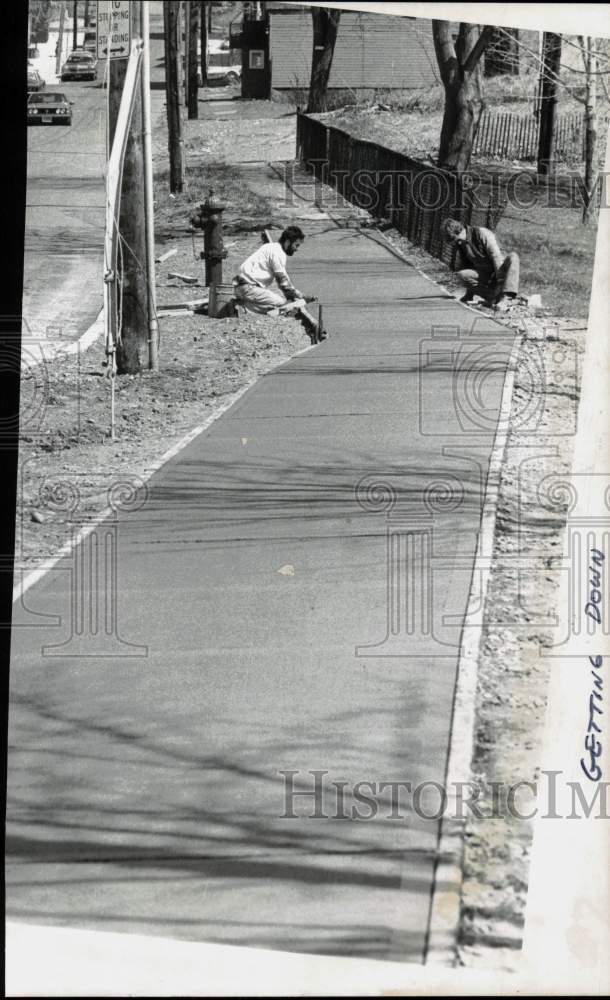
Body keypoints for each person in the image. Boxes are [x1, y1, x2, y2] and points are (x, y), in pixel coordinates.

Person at [233, 226, 328, 343]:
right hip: (248, 287)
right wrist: (301, 297)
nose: (296, 249)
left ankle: (241, 307)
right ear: (288, 242)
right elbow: (283, 283)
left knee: (278, 304)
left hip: (241, 287)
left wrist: (297, 295)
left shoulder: (270, 247)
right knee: (283, 306)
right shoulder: (278, 253)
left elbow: (285, 281)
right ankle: (242, 309)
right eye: (296, 245)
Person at [441, 218, 520, 313]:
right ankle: (493, 297)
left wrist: (500, 281)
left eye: (453, 239)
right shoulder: (461, 243)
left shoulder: (482, 233)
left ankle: (507, 297)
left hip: (501, 270)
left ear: (458, 232)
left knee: (513, 257)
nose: (454, 242)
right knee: (462, 275)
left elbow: (496, 256)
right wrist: (469, 293)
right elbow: (467, 266)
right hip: (487, 274)